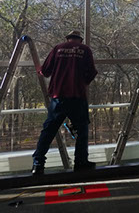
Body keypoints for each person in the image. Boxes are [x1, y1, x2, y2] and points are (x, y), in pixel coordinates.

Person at [31, 30, 98, 175]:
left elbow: (45, 71)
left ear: (68, 39)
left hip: (59, 96)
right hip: (77, 96)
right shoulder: (85, 50)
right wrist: (82, 83)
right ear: (80, 40)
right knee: (82, 130)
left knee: (48, 131)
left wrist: (41, 71)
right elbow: (92, 72)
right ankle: (81, 163)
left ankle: (38, 164)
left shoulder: (58, 48)